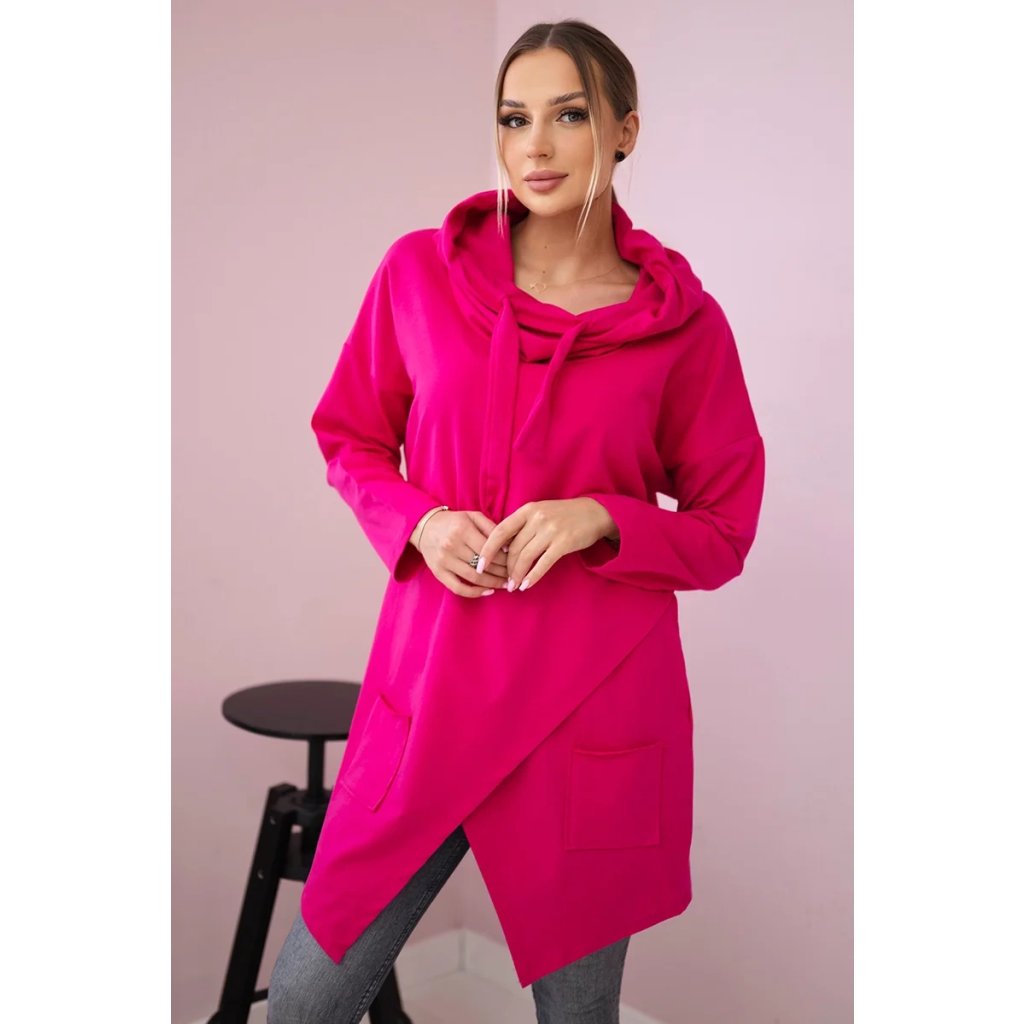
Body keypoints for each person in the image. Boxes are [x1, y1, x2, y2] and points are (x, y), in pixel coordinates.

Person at [269, 18, 765, 1024]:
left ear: (624, 130)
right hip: (432, 689)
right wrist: (420, 522)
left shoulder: (684, 326)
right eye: (513, 118)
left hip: (593, 709)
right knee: (306, 1004)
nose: (535, 145)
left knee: (577, 1019)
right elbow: (349, 437)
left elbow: (724, 529)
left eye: (568, 115)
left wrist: (601, 518)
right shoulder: (419, 275)